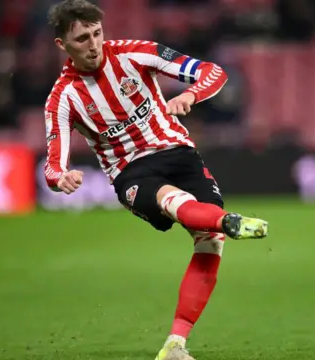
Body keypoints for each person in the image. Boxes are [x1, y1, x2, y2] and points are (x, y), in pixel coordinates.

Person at [44, 1, 269, 359]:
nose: (93, 44)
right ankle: (229, 221)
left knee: (209, 241)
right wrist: (62, 177)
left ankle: (175, 346)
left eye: (97, 33)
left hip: (178, 153)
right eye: (82, 38)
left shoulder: (137, 53)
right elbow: (53, 165)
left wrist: (191, 94)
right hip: (132, 172)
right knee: (173, 202)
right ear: (63, 45)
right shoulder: (63, 97)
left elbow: (213, 72)